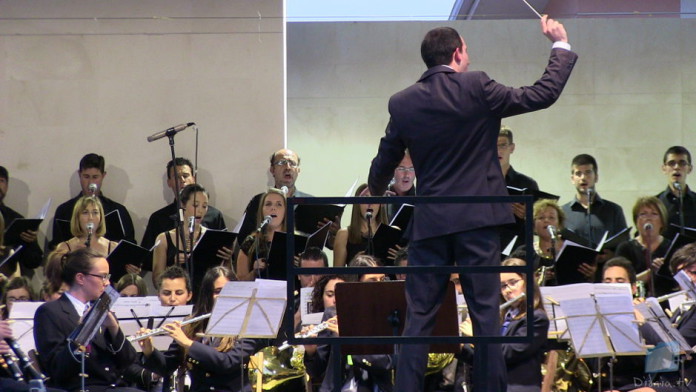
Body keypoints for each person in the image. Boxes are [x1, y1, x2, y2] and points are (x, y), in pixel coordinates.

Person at [366, 17, 576, 392]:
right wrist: (559, 45)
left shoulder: (402, 101)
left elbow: (384, 161)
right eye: (467, 50)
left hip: (429, 223)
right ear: (458, 52)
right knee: (485, 316)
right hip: (477, 219)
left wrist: (377, 189)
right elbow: (541, 94)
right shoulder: (477, 85)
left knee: (419, 319)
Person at [139, 266, 267, 392]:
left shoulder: (246, 326)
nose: (222, 296)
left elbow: (228, 362)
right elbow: (166, 368)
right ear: (207, 294)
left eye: (228, 291)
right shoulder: (191, 325)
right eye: (217, 291)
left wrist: (189, 344)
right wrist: (149, 351)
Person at [33, 248, 141, 392]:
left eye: (108, 276)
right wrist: (84, 329)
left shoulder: (101, 309)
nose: (107, 283)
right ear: (80, 278)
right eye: (102, 277)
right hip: (81, 387)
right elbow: (57, 368)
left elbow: (128, 360)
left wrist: (114, 328)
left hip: (113, 386)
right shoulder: (50, 312)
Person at [462, 257, 548, 392]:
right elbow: (484, 357)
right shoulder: (499, 318)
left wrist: (476, 336)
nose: (507, 290)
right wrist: (458, 346)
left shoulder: (536, 318)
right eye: (503, 285)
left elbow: (508, 353)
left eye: (513, 283)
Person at [152, 184, 231, 292]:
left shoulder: (212, 237)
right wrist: (174, 266)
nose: (200, 211)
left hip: (205, 298)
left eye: (204, 206)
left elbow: (225, 278)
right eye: (195, 205)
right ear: (183, 205)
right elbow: (157, 282)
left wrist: (227, 260)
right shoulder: (164, 238)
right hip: (178, 299)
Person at [50, 153, 136, 249]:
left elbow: (130, 244)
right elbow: (56, 245)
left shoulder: (118, 210)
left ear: (103, 176)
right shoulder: (64, 210)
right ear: (80, 175)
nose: (91, 183)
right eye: (86, 177)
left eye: (95, 177)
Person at [140, 157, 227, 251]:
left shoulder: (214, 215)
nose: (182, 180)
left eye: (185, 176)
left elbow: (224, 248)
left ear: (193, 179)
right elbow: (148, 255)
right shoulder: (158, 218)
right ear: (169, 182)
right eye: (177, 177)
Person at [237, 149, 313, 247]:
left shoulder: (310, 202)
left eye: (292, 163)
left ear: (298, 170)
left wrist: (332, 234)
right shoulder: (259, 201)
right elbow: (243, 238)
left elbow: (324, 243)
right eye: (282, 162)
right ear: (272, 170)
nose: (288, 167)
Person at [46, 196, 120, 286]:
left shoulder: (113, 247)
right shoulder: (65, 247)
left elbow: (118, 279)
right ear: (77, 218)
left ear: (101, 217)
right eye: (85, 213)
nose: (90, 218)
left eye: (95, 212)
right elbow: (55, 279)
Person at [561, 154, 627, 249]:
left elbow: (624, 245)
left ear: (596, 177)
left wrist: (610, 255)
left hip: (606, 263)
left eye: (588, 172)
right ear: (572, 179)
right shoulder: (563, 212)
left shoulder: (614, 210)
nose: (583, 177)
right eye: (578, 173)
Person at [615, 196, 674, 297]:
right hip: (635, 303)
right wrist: (651, 272)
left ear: (662, 222)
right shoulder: (625, 248)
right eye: (643, 214)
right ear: (636, 221)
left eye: (654, 214)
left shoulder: (672, 247)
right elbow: (619, 284)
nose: (648, 218)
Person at [498, 126, 540, 250]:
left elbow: (538, 225)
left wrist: (527, 215)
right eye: (494, 146)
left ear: (512, 148)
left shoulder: (527, 184)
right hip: (485, 248)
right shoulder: (479, 183)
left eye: (503, 145)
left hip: (518, 252)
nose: (498, 151)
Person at [0, 166, 43, 277]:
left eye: (1, 181)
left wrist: (31, 242)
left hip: (10, 283)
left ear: (7, 186)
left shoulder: (17, 220)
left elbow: (33, 262)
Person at [237, 188, 287, 281]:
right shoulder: (251, 242)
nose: (273, 208)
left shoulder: (294, 240)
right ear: (261, 210)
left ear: (285, 212)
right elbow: (240, 282)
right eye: (268, 204)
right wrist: (254, 272)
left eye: (279, 204)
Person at [333, 183, 389, 267]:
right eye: (365, 198)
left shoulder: (391, 232)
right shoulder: (344, 235)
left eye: (374, 198)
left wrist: (399, 258)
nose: (370, 203)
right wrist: (354, 263)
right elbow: (337, 276)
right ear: (357, 204)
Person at [657, 146, 696, 241]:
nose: (676, 167)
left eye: (682, 163)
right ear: (664, 169)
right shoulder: (656, 203)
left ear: (690, 169)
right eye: (671, 163)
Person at [385, 151, 416, 223]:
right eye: (401, 168)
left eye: (411, 169)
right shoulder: (382, 199)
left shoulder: (423, 200)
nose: (407, 175)